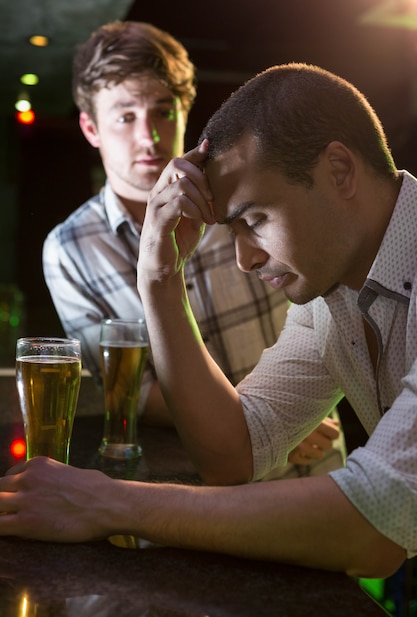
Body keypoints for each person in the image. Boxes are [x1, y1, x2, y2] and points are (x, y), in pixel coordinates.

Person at [5, 65, 394, 574]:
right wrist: (159, 275)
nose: (246, 260)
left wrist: (104, 501)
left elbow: (375, 529)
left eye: (255, 220)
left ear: (339, 171)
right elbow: (234, 453)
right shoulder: (328, 297)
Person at [42, 20, 343, 470]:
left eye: (163, 111)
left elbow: (325, 311)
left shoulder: (246, 195)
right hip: (192, 482)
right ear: (90, 127)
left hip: (314, 461)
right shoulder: (68, 249)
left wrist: (283, 420)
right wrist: (261, 425)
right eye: (125, 116)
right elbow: (131, 390)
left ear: (186, 109)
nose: (148, 137)